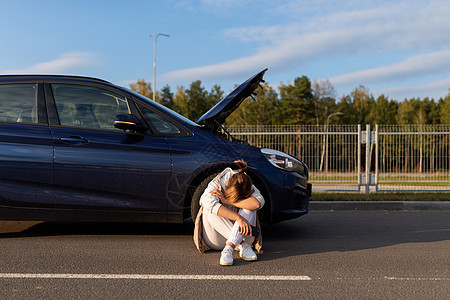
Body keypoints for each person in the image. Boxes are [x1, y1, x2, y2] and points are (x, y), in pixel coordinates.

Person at [193, 160, 265, 266]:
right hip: (216, 239)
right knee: (208, 208)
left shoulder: (246, 183)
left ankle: (228, 249)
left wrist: (228, 201)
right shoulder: (217, 183)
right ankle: (242, 246)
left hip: (244, 235)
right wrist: (238, 218)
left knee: (250, 208)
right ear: (227, 185)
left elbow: (257, 204)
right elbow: (206, 201)